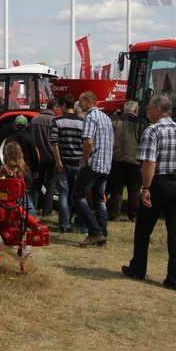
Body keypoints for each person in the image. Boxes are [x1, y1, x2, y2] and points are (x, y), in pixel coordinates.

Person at [122, 95, 176, 292]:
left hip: (158, 184)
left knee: (143, 229)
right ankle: (175, 280)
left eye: (149, 109)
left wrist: (146, 188)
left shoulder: (153, 131)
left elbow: (149, 162)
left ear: (158, 110)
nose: (147, 113)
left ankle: (138, 269)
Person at [73, 91, 114, 246]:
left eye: (81, 101)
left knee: (78, 196)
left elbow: (88, 142)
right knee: (98, 199)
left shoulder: (91, 117)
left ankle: (95, 232)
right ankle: (102, 234)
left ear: (89, 101)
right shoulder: (106, 118)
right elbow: (112, 141)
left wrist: (84, 159)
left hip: (94, 163)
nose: (79, 104)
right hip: (105, 164)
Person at [50, 95, 84, 233]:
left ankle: (65, 225)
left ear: (63, 105)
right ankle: (81, 223)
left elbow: (54, 143)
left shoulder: (57, 121)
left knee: (64, 194)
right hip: (78, 162)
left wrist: (58, 161)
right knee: (78, 194)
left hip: (63, 162)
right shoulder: (82, 122)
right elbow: (86, 142)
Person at [108, 101, 141, 221]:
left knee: (116, 189)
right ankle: (134, 216)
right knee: (134, 189)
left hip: (116, 159)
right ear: (136, 110)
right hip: (135, 160)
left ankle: (114, 215)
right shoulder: (140, 123)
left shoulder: (114, 121)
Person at [29, 101, 57, 212]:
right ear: (54, 107)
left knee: (36, 183)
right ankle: (47, 210)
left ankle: (33, 208)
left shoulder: (34, 120)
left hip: (38, 157)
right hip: (52, 157)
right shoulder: (55, 121)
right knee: (50, 185)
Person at [0, 141, 36, 214]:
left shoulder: (4, 168)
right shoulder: (23, 167)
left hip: (7, 197)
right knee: (31, 212)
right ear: (20, 153)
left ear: (6, 154)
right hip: (21, 196)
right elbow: (29, 182)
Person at [8, 115, 40, 184]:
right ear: (26, 125)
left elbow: (5, 155)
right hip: (26, 169)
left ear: (14, 125)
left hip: (12, 171)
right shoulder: (29, 139)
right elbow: (34, 156)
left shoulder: (10, 139)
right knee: (27, 192)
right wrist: (36, 170)